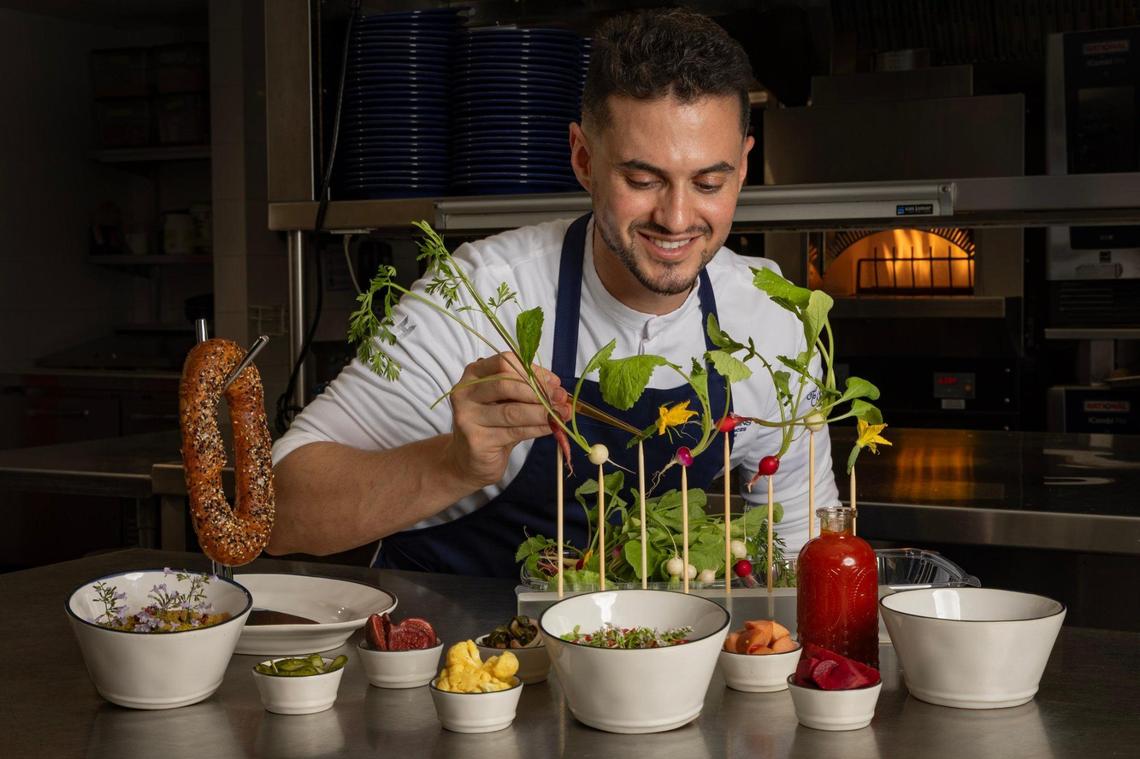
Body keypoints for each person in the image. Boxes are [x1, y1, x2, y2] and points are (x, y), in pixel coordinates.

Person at [268, 8, 839, 576]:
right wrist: (452, 465)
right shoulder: (480, 297)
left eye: (709, 183)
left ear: (743, 166)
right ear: (583, 159)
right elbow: (276, 513)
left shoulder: (771, 318)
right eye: (643, 180)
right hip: (462, 650)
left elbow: (800, 546)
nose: (677, 217)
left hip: (659, 656)